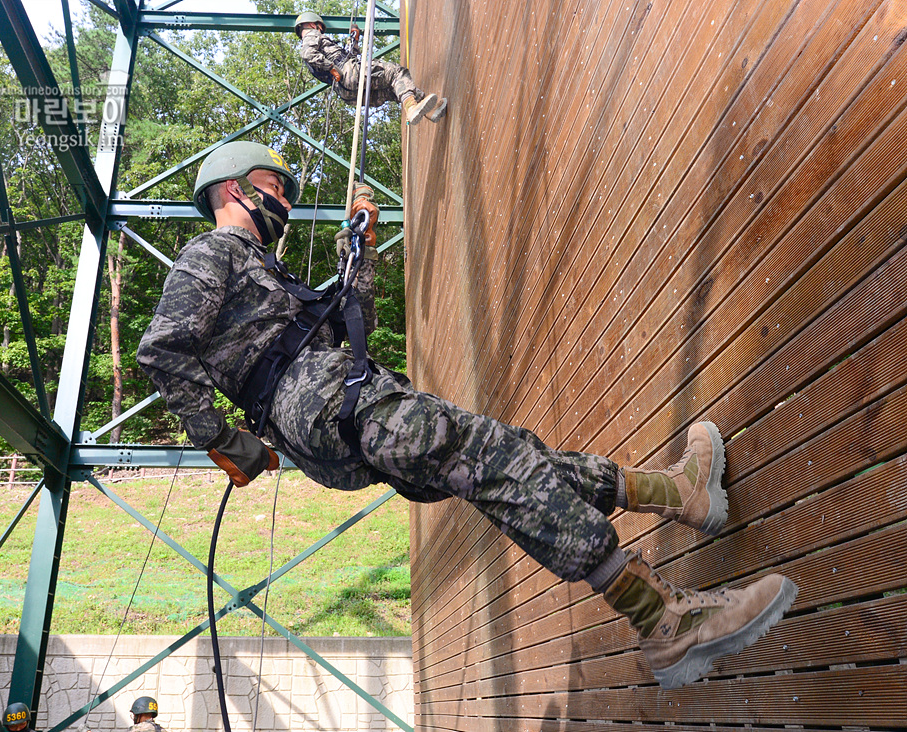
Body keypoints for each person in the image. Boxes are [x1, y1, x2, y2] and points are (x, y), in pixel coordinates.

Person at [136, 140, 798, 689]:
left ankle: (671, 493)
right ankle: (662, 621)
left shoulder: (261, 273)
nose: (282, 193)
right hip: (331, 405)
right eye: (268, 182)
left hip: (334, 413)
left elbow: (336, 332)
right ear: (231, 191)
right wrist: (220, 437)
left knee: (507, 463)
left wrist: (357, 255)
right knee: (498, 459)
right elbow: (163, 349)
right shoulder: (214, 251)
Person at [294, 11, 446, 125]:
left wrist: (354, 42)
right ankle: (412, 108)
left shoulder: (316, 51)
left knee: (393, 89)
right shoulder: (311, 35)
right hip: (348, 73)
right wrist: (331, 68)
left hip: (345, 92)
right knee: (397, 73)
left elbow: (347, 59)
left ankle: (429, 111)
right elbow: (308, 53)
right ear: (314, 24)